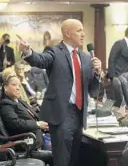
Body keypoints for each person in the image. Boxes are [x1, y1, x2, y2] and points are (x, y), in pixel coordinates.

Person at [19, 19, 102, 166]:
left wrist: (97, 72)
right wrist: (28, 52)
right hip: (61, 113)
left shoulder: (86, 57)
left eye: (83, 30)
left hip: (79, 113)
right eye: (79, 30)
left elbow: (93, 89)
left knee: (75, 159)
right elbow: (40, 60)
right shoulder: (55, 52)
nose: (83, 34)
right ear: (67, 33)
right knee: (62, 160)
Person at [0, 74, 48, 149]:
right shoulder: (5, 104)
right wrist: (37, 124)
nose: (18, 88)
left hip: (39, 134)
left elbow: (32, 114)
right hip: (27, 141)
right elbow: (15, 124)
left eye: (19, 86)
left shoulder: (18, 100)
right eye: (14, 85)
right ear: (5, 87)